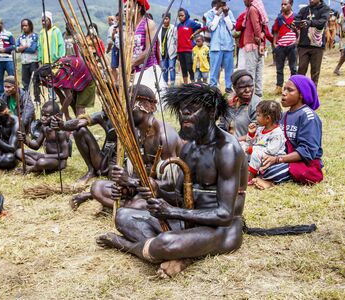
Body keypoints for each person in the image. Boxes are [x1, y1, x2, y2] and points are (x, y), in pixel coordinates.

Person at [96, 83, 247, 278]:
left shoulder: (227, 149)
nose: (184, 115)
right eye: (182, 110)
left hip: (221, 228)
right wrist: (156, 190)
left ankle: (127, 245)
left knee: (165, 242)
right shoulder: (189, 147)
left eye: (191, 110)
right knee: (123, 216)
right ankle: (181, 251)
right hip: (188, 220)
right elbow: (179, 196)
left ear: (211, 112)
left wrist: (172, 211)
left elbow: (226, 214)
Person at [90, 84, 183, 210]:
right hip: (139, 189)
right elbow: (133, 174)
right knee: (97, 187)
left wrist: (131, 182)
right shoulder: (134, 133)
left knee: (137, 204)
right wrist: (124, 186)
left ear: (147, 106)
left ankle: (126, 207)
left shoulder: (165, 136)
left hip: (162, 195)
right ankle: (127, 207)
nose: (124, 112)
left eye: (129, 107)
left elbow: (172, 184)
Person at [252, 75, 323, 189]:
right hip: (282, 156)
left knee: (269, 171)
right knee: (253, 160)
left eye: (290, 90)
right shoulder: (284, 116)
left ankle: (269, 181)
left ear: (301, 94)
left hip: (303, 162)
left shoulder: (308, 117)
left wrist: (278, 160)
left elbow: (308, 151)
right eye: (284, 89)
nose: (284, 93)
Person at [16, 101, 70, 173]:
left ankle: (31, 168)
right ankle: (38, 166)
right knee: (18, 152)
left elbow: (65, 155)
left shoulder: (60, 132)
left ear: (56, 115)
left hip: (58, 161)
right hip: (46, 157)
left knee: (41, 162)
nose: (43, 118)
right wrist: (25, 139)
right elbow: (36, 146)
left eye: (46, 116)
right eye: (42, 115)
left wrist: (45, 157)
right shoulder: (44, 128)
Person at [240, 100, 286, 183]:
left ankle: (250, 177)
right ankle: (240, 169)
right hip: (258, 156)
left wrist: (252, 149)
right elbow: (252, 142)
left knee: (256, 153)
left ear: (268, 118)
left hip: (271, 159)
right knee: (241, 145)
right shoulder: (260, 129)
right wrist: (251, 133)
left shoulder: (277, 133)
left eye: (258, 115)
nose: (256, 118)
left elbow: (271, 151)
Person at [38, 56, 95, 120]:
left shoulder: (60, 75)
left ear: (47, 77)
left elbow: (69, 97)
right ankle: (78, 125)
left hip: (86, 77)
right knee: (72, 103)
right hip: (76, 78)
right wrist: (67, 116)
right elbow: (62, 97)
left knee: (79, 107)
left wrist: (60, 113)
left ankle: (81, 126)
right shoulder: (51, 78)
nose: (44, 86)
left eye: (42, 83)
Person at [132, 0, 166, 98]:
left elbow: (149, 51)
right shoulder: (130, 27)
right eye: (125, 7)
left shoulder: (148, 24)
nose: (125, 10)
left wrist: (131, 63)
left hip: (147, 71)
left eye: (129, 7)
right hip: (132, 73)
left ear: (138, 8)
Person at [293, 0, 331, 86]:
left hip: (317, 46)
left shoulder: (325, 9)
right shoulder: (304, 10)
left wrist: (309, 23)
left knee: (315, 72)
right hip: (303, 45)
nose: (311, 0)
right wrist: (296, 24)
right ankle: (299, 91)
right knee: (301, 69)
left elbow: (322, 22)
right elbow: (297, 19)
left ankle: (313, 94)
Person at [239, 0, 269, 97]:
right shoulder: (259, 9)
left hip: (252, 43)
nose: (243, 1)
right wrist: (261, 39)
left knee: (250, 71)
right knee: (259, 70)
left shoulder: (252, 9)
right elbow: (264, 27)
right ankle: (258, 92)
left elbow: (256, 26)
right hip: (259, 44)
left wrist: (257, 36)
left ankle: (250, 95)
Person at [205, 0, 236, 93]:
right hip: (215, 46)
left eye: (225, 3)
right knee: (214, 68)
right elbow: (211, 28)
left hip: (228, 45)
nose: (224, 4)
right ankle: (213, 88)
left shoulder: (229, 12)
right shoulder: (209, 14)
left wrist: (226, 15)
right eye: (222, 2)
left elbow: (232, 28)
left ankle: (229, 87)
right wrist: (217, 15)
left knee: (229, 69)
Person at [222, 70, 261, 138]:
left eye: (251, 86)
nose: (248, 90)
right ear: (234, 87)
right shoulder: (229, 102)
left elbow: (259, 133)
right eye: (243, 87)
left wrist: (234, 141)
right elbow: (222, 125)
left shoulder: (257, 105)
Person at [272, 0, 298, 95]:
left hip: (292, 45)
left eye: (285, 4)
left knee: (293, 67)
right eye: (282, 4)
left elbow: (299, 30)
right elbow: (275, 31)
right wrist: (275, 43)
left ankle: (294, 86)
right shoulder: (279, 18)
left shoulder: (295, 17)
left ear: (290, 5)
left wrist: (296, 41)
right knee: (279, 68)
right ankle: (279, 87)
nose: (283, 6)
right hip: (281, 46)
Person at [16, 18, 40, 104]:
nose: (24, 27)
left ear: (30, 26)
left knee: (35, 81)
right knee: (25, 82)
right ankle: (27, 99)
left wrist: (22, 48)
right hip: (24, 63)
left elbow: (33, 49)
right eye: (23, 26)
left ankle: (37, 99)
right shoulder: (20, 38)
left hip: (33, 62)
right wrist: (25, 47)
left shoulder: (35, 36)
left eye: (26, 25)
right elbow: (16, 49)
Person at [177, 8, 202, 84]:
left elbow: (200, 27)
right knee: (183, 68)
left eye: (182, 15)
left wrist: (194, 34)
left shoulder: (191, 23)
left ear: (186, 15)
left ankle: (193, 83)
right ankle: (185, 84)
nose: (180, 17)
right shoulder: (178, 25)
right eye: (179, 16)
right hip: (180, 50)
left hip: (188, 49)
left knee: (190, 67)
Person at [158, 12, 178, 87]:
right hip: (163, 52)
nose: (164, 20)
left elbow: (176, 40)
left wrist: (176, 51)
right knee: (164, 69)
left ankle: (172, 85)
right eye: (163, 19)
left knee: (172, 68)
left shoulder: (173, 28)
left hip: (171, 52)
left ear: (169, 19)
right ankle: (165, 85)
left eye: (166, 19)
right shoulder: (159, 29)